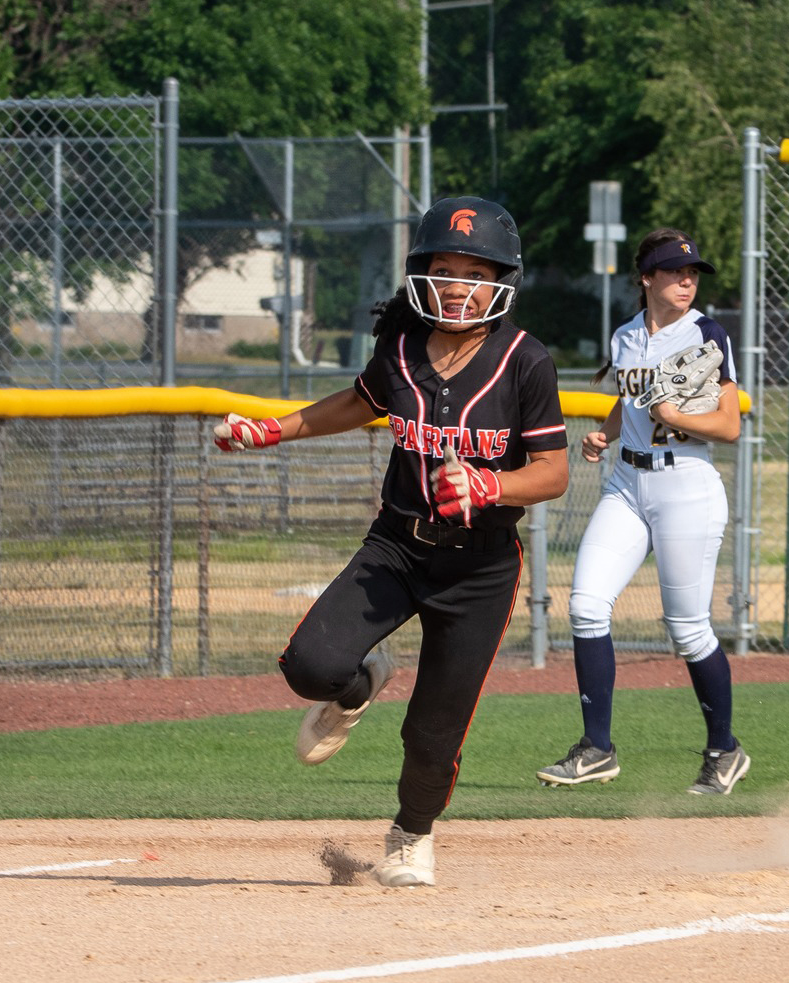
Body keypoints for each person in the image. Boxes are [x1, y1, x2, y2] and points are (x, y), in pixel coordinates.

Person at [214, 197, 569, 886]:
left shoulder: (526, 360)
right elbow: (360, 400)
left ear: (502, 280)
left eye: (475, 270)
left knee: (433, 731)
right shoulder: (403, 347)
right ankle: (356, 687)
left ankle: (411, 835)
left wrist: (490, 488)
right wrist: (273, 427)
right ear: (420, 274)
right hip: (397, 548)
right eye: (444, 267)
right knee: (310, 665)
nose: (459, 283)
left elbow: (552, 472)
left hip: (480, 569)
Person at [537, 229, 748, 796]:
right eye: (675, 271)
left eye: (693, 272)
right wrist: (606, 434)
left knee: (687, 629)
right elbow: (630, 398)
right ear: (646, 278)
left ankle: (724, 749)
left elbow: (728, 426)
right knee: (584, 605)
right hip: (627, 483)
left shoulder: (705, 333)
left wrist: (678, 414)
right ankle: (597, 748)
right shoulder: (627, 334)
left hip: (686, 484)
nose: (687, 279)